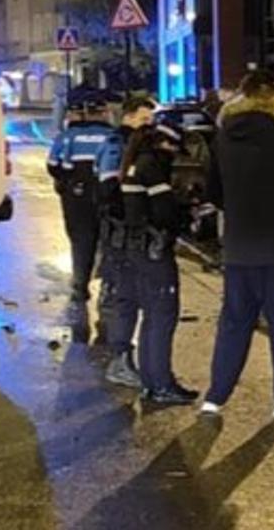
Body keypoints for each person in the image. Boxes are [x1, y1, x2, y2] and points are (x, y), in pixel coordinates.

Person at [202, 70, 274, 420]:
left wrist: (236, 211)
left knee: (234, 321)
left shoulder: (222, 139)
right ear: (271, 100)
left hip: (238, 246)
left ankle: (215, 396)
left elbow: (212, 191)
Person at [121, 123, 198, 405]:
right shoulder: (151, 167)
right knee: (163, 316)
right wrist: (185, 211)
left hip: (136, 248)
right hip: (153, 251)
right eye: (174, 149)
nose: (175, 155)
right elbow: (163, 212)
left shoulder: (134, 163)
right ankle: (162, 384)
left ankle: (151, 382)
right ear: (165, 143)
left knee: (151, 317)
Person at [96, 93, 157, 388]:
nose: (149, 125)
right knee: (124, 298)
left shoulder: (136, 144)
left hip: (129, 233)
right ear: (129, 116)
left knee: (129, 297)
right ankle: (119, 361)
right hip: (120, 233)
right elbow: (109, 188)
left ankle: (123, 359)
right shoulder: (116, 144)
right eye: (144, 119)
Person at [49, 92, 116, 303]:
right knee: (109, 241)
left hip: (76, 197)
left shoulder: (68, 136)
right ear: (105, 113)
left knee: (81, 241)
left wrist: (65, 182)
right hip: (106, 194)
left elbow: (52, 165)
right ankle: (108, 287)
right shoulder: (112, 136)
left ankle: (80, 285)